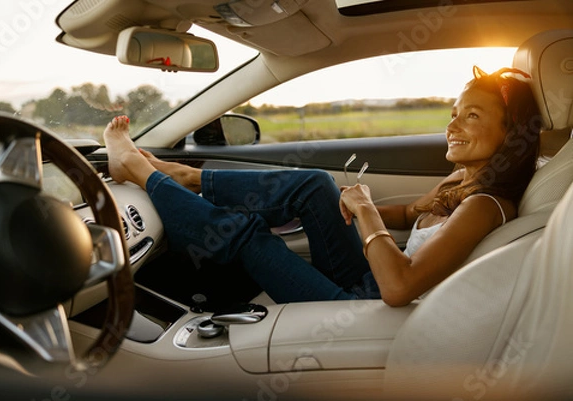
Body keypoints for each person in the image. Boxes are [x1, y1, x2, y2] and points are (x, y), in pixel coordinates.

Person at [103, 66, 541, 307]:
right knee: (315, 185)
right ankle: (183, 175)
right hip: (371, 277)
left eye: (472, 116)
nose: (451, 125)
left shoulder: (485, 206)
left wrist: (366, 211)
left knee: (250, 237)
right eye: (454, 112)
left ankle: (143, 172)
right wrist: (339, 206)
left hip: (372, 304)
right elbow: (409, 215)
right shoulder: (462, 182)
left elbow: (401, 288)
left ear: (510, 133)